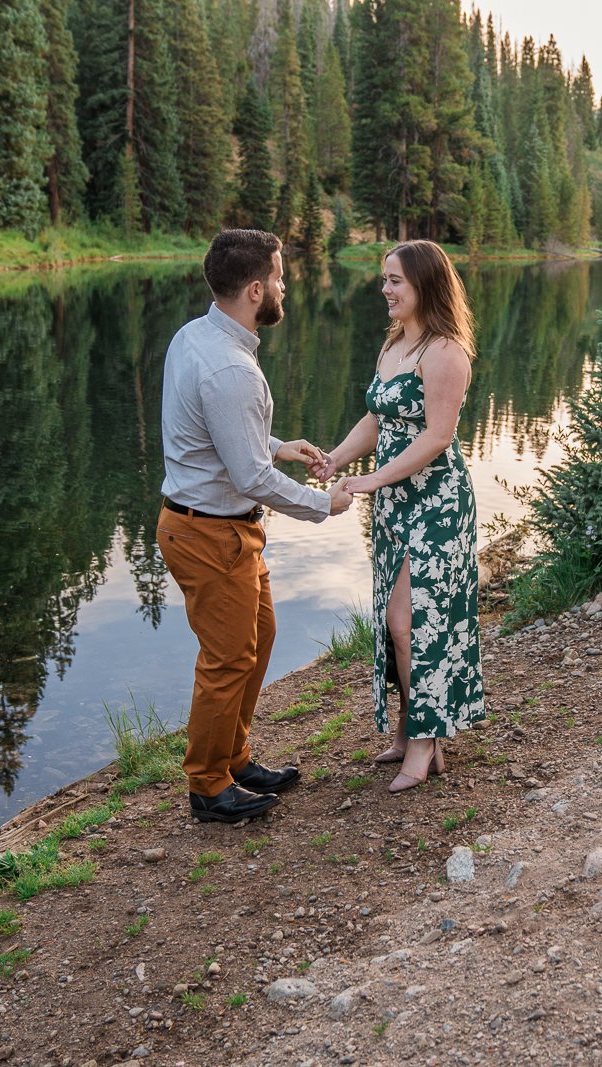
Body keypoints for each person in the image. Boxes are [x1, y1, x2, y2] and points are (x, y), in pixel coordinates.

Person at [158, 228, 352, 824]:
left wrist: (278, 444)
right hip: (209, 534)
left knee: (257, 640)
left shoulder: (198, 336)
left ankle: (234, 756)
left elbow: (222, 435)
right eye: (279, 276)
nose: (285, 286)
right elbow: (250, 479)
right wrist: (324, 504)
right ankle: (208, 785)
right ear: (254, 289)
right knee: (226, 660)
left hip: (220, 531)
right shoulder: (230, 369)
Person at [315, 240, 485, 792]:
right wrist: (339, 457)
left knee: (413, 622)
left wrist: (374, 478)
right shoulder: (395, 345)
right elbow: (377, 416)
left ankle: (425, 740)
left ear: (424, 286)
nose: (384, 290)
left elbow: (437, 437)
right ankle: (411, 729)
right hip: (394, 503)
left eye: (395, 281)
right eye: (384, 279)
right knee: (395, 621)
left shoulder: (446, 352)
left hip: (436, 503)